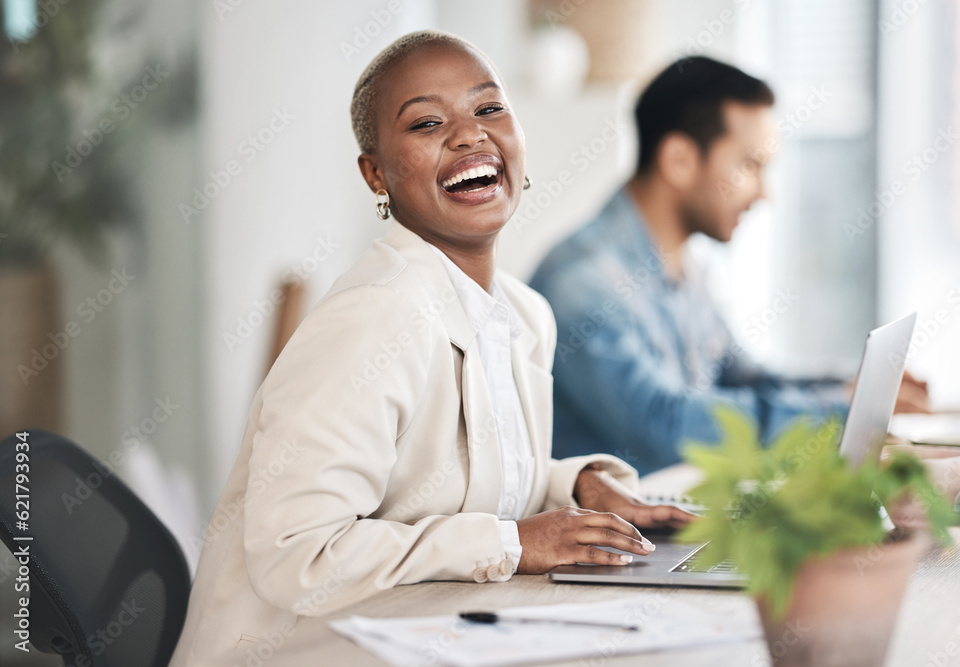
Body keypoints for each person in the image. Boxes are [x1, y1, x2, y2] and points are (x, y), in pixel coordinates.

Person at [169, 31, 694, 667]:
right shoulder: (370, 319)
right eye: (426, 122)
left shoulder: (525, 316)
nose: (470, 135)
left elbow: (472, 489)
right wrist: (516, 544)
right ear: (376, 174)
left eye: (490, 108)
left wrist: (577, 488)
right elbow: (296, 555)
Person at [529, 56, 930, 477]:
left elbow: (740, 377)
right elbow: (665, 424)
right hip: (624, 538)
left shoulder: (684, 267)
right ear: (679, 159)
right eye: (749, 165)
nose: (765, 194)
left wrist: (857, 388)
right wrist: (838, 410)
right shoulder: (582, 281)